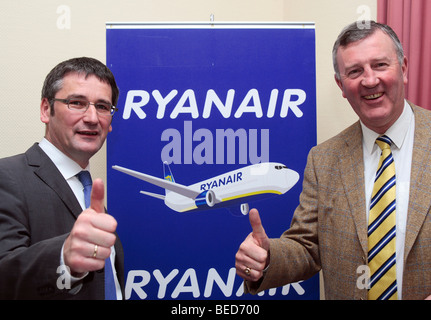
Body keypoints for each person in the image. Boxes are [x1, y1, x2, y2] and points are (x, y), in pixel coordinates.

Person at [235, 21, 431, 300]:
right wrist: (268, 258)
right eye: (354, 71)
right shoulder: (324, 159)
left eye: (380, 65)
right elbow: (307, 246)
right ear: (341, 85)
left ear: (403, 68)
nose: (369, 80)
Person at [0, 57, 124, 299]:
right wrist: (63, 257)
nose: (92, 118)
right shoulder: (7, 177)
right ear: (46, 110)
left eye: (102, 107)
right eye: (76, 102)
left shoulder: (91, 194)